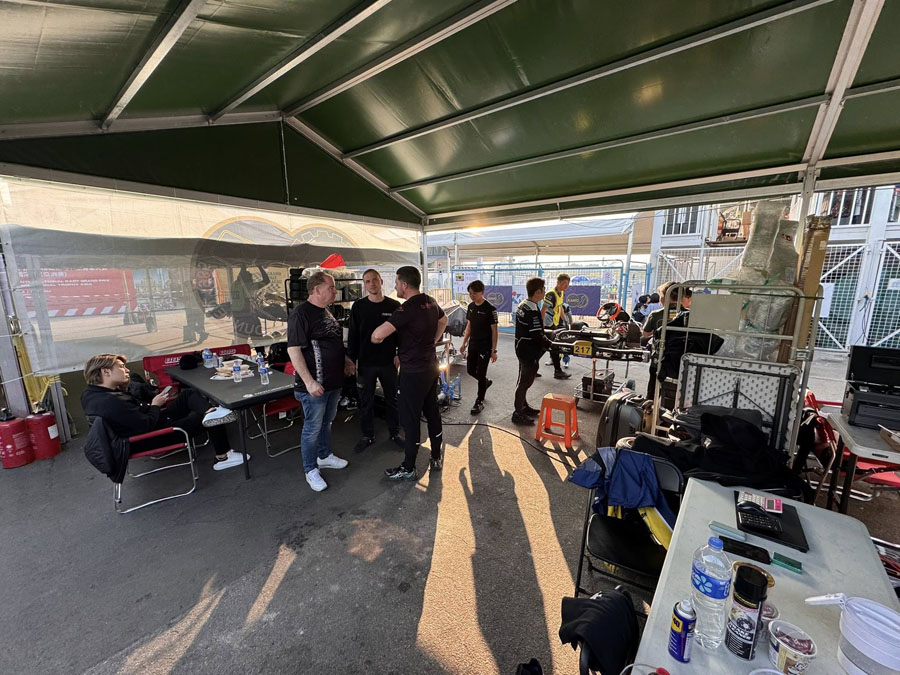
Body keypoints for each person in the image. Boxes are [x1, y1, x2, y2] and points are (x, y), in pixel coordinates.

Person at [80, 353, 246, 470]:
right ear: (106, 371)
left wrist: (153, 405)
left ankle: (212, 411)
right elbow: (145, 426)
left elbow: (133, 417)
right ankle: (223, 456)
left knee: (189, 395)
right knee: (207, 418)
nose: (127, 370)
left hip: (152, 423)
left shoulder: (91, 395)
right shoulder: (111, 401)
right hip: (152, 436)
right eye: (122, 367)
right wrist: (155, 406)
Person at [371, 266, 447, 480]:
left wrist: (375, 339)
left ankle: (409, 467)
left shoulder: (406, 309)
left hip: (413, 372)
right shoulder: (430, 301)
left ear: (404, 285)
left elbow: (378, 335)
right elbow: (444, 321)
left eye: (396, 282)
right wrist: (432, 341)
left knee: (410, 418)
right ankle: (436, 456)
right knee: (432, 411)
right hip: (430, 366)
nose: (395, 286)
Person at [287, 271, 353, 492]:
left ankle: (324, 456)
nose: (335, 291)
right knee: (312, 428)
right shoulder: (300, 314)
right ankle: (310, 469)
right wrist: (309, 382)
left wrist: (346, 361)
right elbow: (294, 350)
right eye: (331, 288)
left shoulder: (326, 312)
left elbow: (333, 343)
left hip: (333, 382)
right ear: (316, 289)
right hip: (315, 385)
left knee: (327, 422)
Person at [347, 268, 402, 452]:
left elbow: (400, 334)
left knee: (392, 399)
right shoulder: (358, 307)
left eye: (375, 280)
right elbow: (353, 335)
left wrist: (399, 353)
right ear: (364, 285)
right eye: (368, 281)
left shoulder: (394, 306)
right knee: (366, 402)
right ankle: (367, 436)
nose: (372, 284)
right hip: (366, 363)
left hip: (388, 362)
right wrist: (351, 360)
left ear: (381, 281)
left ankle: (394, 433)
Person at [512, 277, 552, 425]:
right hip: (528, 351)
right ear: (538, 292)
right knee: (525, 382)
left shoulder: (524, 305)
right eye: (544, 289)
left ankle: (523, 406)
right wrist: (551, 344)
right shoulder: (532, 310)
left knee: (523, 380)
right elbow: (536, 335)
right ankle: (518, 413)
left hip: (521, 347)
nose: (545, 292)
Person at [643, 283, 693, 399]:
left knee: (653, 391)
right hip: (682, 361)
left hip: (659, 360)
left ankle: (650, 405)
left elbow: (645, 334)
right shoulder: (691, 315)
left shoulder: (656, 315)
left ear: (665, 297)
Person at [459, 279, 498, 415]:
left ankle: (479, 401)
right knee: (470, 370)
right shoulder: (471, 307)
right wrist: (464, 343)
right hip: (473, 344)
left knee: (481, 373)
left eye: (475, 293)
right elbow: (469, 326)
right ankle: (485, 382)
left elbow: (494, 331)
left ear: (482, 292)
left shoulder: (490, 309)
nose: (472, 296)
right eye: (470, 293)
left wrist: (493, 350)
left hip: (485, 346)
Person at [542, 273, 572, 379]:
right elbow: (543, 310)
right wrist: (541, 327)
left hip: (554, 324)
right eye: (564, 284)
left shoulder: (561, 293)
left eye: (568, 284)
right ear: (558, 282)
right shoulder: (551, 294)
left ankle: (532, 367)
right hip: (547, 324)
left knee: (544, 348)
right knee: (553, 347)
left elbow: (560, 308)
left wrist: (565, 321)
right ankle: (557, 371)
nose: (566, 286)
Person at [231, 265, 270, 342]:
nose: (252, 278)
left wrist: (243, 266)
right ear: (247, 278)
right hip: (250, 318)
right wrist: (260, 267)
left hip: (238, 319)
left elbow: (241, 275)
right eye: (250, 277)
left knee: (241, 342)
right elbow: (266, 281)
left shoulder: (234, 285)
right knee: (258, 342)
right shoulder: (249, 286)